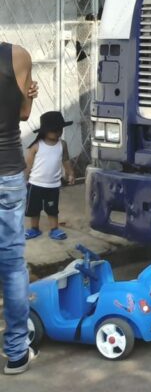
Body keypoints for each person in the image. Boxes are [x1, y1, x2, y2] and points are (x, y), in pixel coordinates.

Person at [0, 40, 38, 374]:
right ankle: (16, 352)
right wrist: (28, 94)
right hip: (7, 172)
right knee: (12, 265)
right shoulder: (17, 56)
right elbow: (24, 114)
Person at [24, 111, 74, 241]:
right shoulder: (36, 146)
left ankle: (54, 229)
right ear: (45, 131)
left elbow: (66, 160)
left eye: (60, 129)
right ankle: (34, 228)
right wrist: (23, 179)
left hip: (53, 185)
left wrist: (70, 173)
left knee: (52, 209)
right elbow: (28, 165)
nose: (58, 132)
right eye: (54, 130)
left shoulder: (62, 144)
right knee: (34, 208)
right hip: (35, 184)